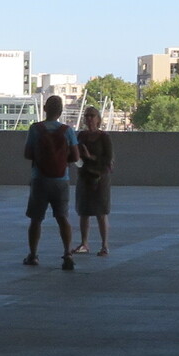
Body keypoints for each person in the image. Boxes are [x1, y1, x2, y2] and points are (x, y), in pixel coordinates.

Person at [23, 94, 80, 270]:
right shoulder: (67, 130)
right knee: (63, 218)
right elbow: (76, 156)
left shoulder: (35, 129)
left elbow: (27, 154)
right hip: (61, 179)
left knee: (36, 219)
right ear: (61, 111)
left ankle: (33, 255)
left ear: (45, 109)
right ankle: (68, 253)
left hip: (39, 179)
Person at [74, 105, 114, 256]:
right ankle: (84, 243)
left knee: (101, 212)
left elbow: (109, 159)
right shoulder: (81, 136)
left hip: (100, 178)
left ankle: (104, 245)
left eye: (92, 115)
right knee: (83, 211)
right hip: (84, 177)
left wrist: (90, 156)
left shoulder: (104, 137)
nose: (89, 118)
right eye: (86, 116)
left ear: (98, 119)